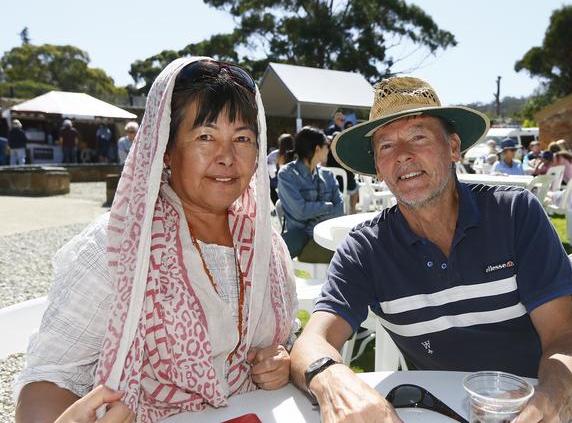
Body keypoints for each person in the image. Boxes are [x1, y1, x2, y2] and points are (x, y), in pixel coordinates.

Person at [290, 76, 572, 423]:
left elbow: (565, 338)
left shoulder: (514, 213)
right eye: (386, 146)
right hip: (455, 405)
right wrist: (333, 380)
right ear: (378, 169)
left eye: (418, 137)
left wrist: (553, 402)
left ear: (454, 148)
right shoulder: (365, 248)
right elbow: (313, 341)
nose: (402, 155)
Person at [14, 58, 298, 423]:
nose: (227, 158)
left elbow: (287, 339)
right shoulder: (118, 245)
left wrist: (281, 361)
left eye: (242, 138)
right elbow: (48, 379)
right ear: (165, 149)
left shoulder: (267, 247)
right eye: (205, 137)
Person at [277, 126, 344, 263]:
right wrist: (327, 206)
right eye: (327, 146)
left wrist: (312, 223)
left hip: (323, 237)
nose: (329, 149)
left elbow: (340, 209)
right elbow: (300, 211)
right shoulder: (287, 175)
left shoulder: (328, 175)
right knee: (347, 256)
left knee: (353, 250)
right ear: (318, 149)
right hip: (302, 241)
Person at [326, 129, 360, 213]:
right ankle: (352, 208)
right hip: (347, 185)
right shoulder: (346, 152)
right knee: (356, 186)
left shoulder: (327, 153)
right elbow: (352, 168)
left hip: (332, 186)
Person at [267, 133, 294, 204]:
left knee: (270, 185)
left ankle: (278, 204)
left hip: (278, 180)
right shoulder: (296, 154)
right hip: (292, 181)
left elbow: (267, 163)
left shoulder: (275, 154)